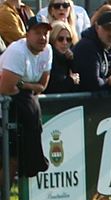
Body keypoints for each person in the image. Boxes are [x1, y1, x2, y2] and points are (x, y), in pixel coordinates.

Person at [0, 15, 51, 178]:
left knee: (14, 162)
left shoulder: (47, 50)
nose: (42, 37)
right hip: (4, 105)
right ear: (27, 34)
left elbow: (42, 86)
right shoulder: (17, 51)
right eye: (37, 32)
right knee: (10, 161)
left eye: (45, 33)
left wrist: (22, 84)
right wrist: (29, 87)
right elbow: (6, 88)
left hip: (16, 104)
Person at [73, 5, 111, 92]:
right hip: (81, 98)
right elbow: (93, 83)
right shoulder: (86, 46)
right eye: (107, 29)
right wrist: (110, 83)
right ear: (97, 27)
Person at [45, 19, 80, 93]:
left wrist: (72, 61)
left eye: (68, 39)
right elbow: (52, 87)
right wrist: (71, 80)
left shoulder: (69, 58)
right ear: (53, 39)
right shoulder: (48, 58)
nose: (65, 42)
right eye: (60, 39)